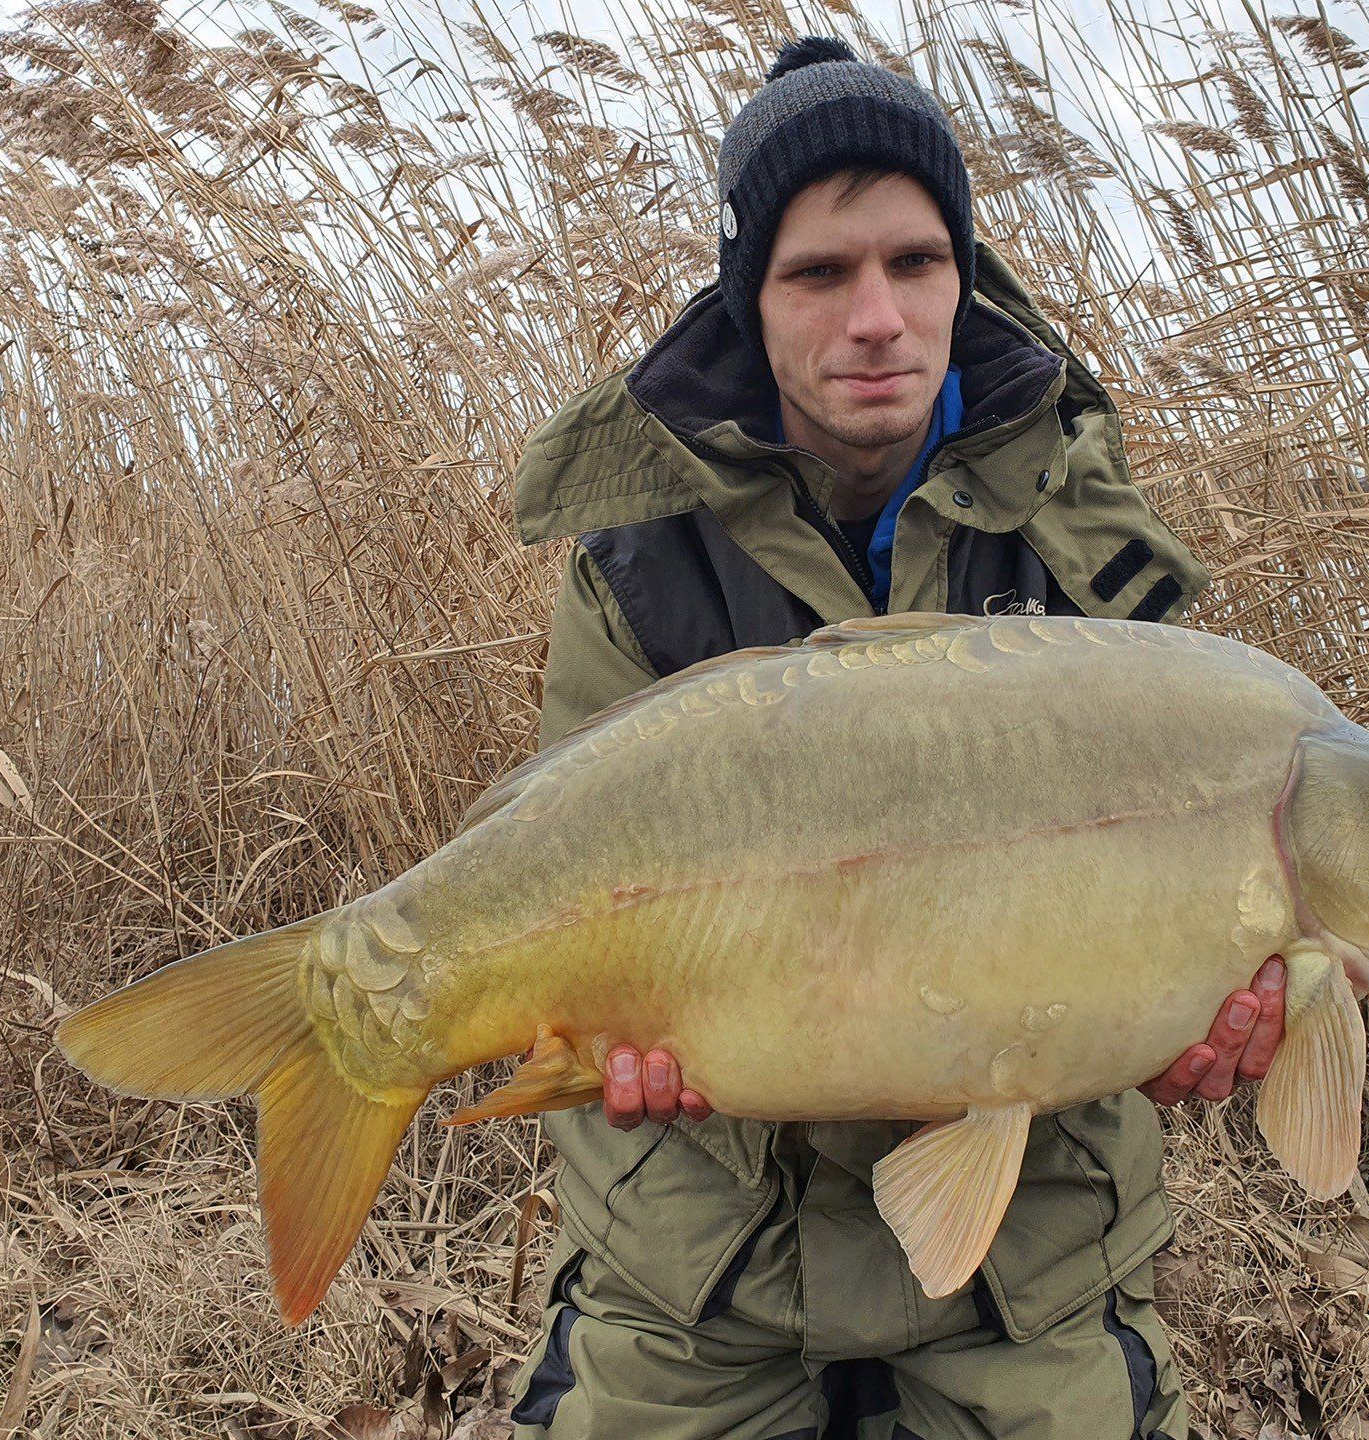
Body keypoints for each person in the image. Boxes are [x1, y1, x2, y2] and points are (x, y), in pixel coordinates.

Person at [501, 35, 1287, 1439]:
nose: (879, 317)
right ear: (752, 300)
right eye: (820, 273)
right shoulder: (632, 560)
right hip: (703, 1257)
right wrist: (615, 1024)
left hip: (1023, 1259)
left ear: (960, 275)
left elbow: (1195, 905)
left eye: (917, 265)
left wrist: (1186, 1014)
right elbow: (573, 874)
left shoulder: (1087, 542)